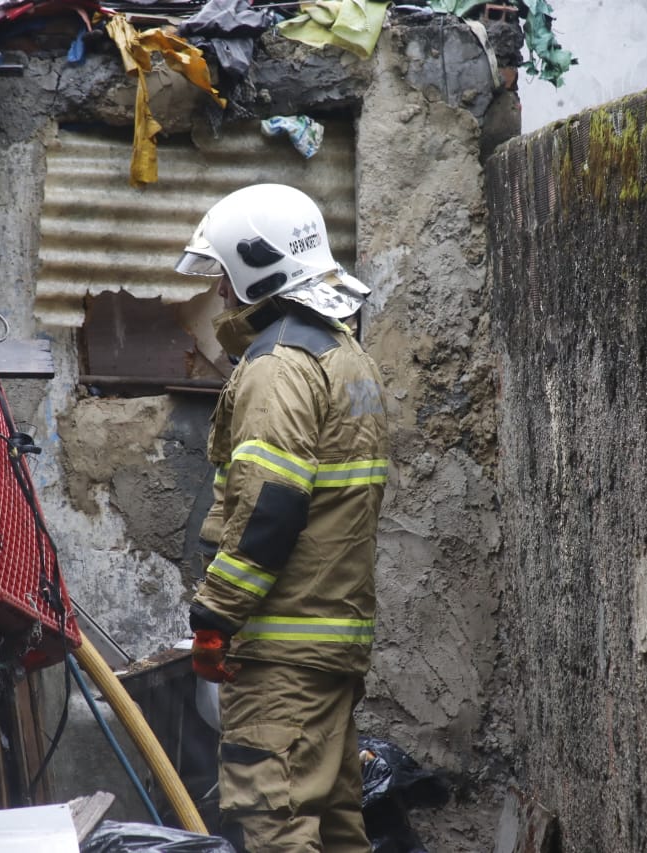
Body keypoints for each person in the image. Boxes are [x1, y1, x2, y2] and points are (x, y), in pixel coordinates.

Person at [174, 183, 390, 852]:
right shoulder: (344, 354)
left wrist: (214, 615)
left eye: (225, 279)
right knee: (335, 824)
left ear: (259, 271)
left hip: (281, 656)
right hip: (330, 642)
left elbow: (271, 504)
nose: (218, 296)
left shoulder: (278, 366)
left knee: (275, 824)